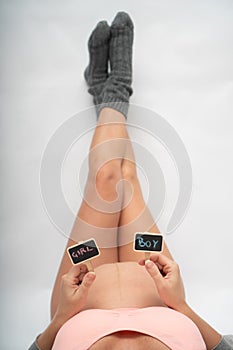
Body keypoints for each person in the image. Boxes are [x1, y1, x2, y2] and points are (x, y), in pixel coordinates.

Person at [29, 12, 233, 350]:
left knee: (105, 181)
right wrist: (181, 306)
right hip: (159, 291)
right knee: (125, 178)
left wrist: (62, 318)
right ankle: (111, 91)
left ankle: (114, 90)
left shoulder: (70, 309)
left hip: (81, 294)